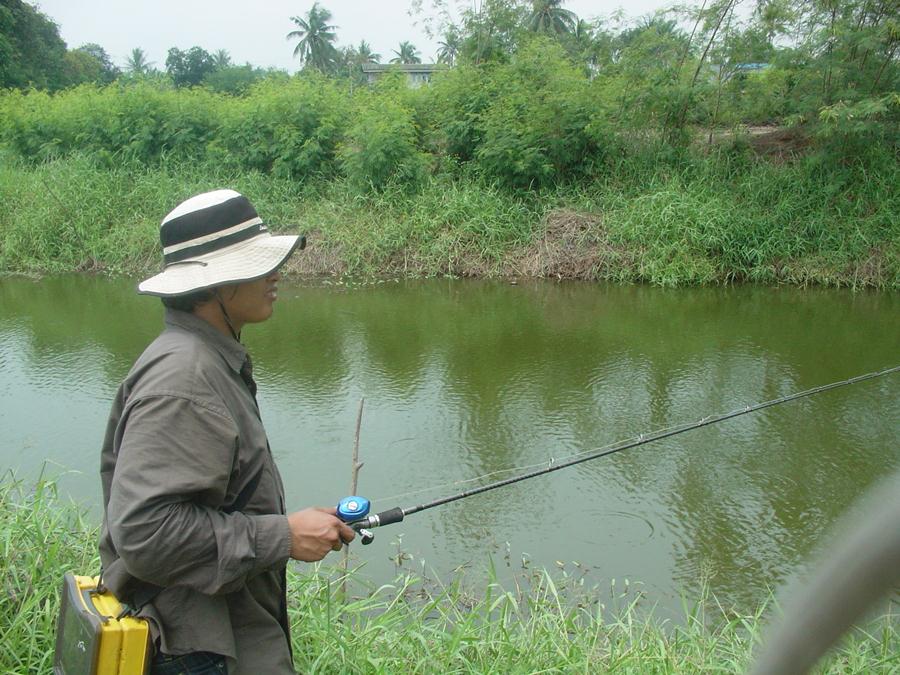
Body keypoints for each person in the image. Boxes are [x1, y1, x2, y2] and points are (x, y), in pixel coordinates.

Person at [98, 189, 355, 675]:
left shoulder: (206, 359)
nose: (275, 274)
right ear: (216, 285)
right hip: (197, 652)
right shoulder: (183, 380)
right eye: (259, 265)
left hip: (222, 636)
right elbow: (146, 533)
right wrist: (281, 536)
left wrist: (287, 527)